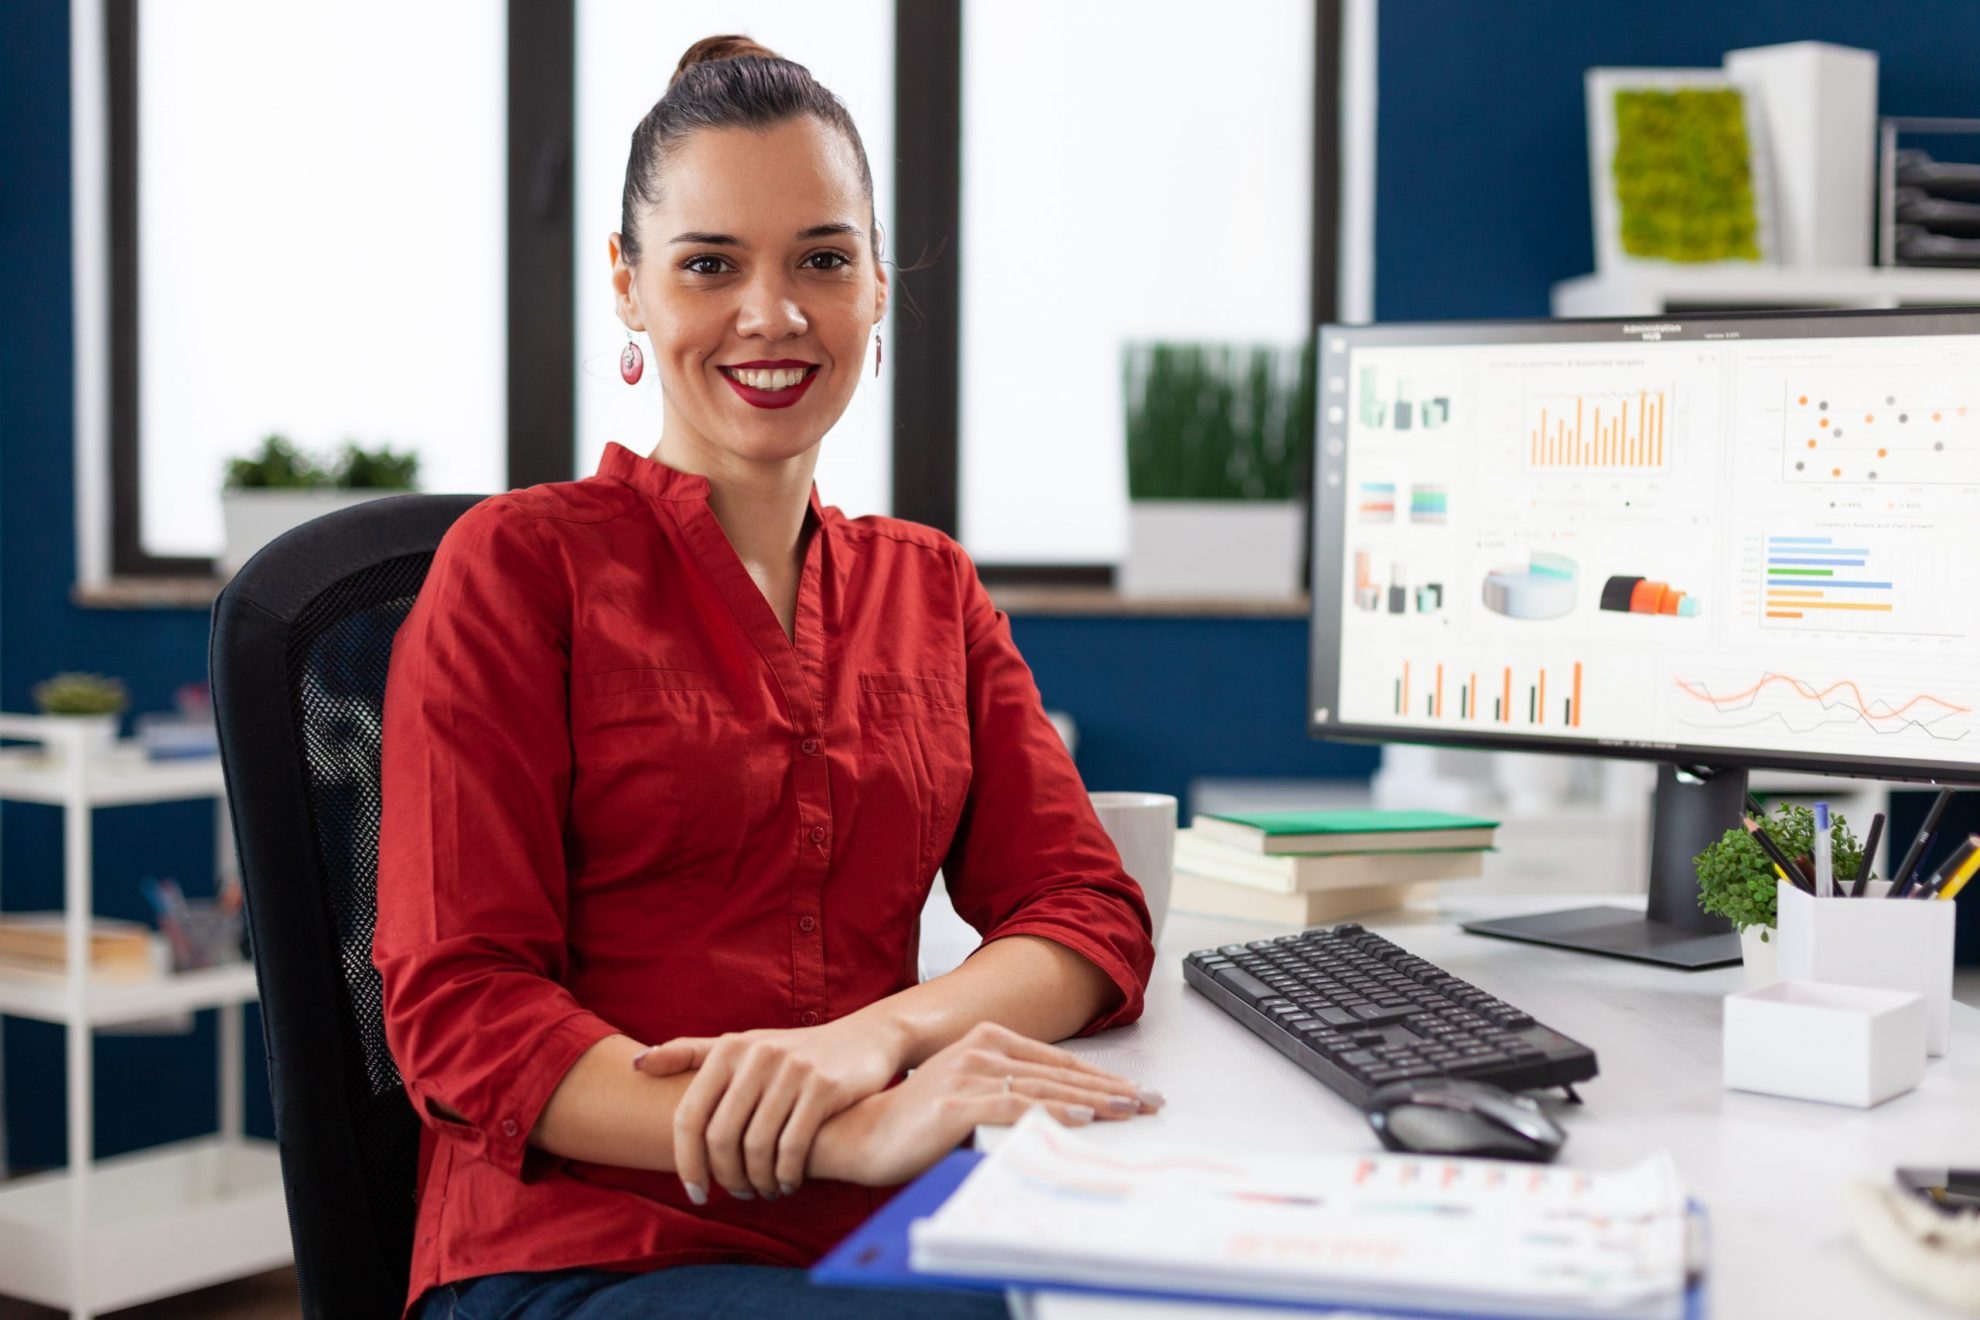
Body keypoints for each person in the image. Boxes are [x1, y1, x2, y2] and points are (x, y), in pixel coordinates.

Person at [372, 34, 1160, 1320]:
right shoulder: (515, 571)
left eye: (822, 260)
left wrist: (878, 1042)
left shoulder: (931, 587)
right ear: (627, 287)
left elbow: (1084, 914)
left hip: (885, 1205)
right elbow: (463, 1013)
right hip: (591, 1245)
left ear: (879, 286)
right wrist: (839, 1134)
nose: (773, 315)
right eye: (710, 266)